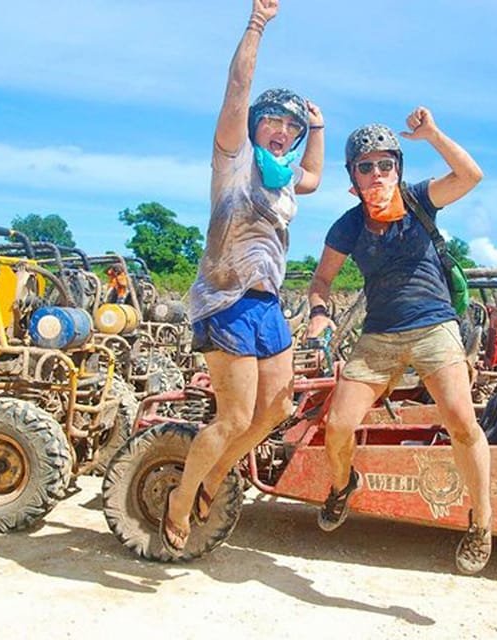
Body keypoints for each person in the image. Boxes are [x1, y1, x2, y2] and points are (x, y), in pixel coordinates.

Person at [161, 0, 324, 554]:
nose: (283, 130)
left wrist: (318, 126)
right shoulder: (234, 158)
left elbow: (315, 175)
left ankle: (214, 475)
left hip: (267, 304)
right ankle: (182, 498)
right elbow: (238, 87)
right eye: (274, 120)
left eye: (291, 127)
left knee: (276, 409)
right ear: (256, 124)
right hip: (226, 299)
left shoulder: (284, 179)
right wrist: (257, 24)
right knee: (234, 418)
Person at [306, 108, 491, 574]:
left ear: (398, 169)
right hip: (379, 336)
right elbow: (321, 280)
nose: (376, 174)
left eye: (385, 164)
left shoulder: (419, 199)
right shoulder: (348, 225)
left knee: (461, 422)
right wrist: (319, 313)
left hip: (434, 326)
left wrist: (433, 135)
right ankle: (343, 485)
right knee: (338, 425)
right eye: (365, 167)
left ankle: (482, 521)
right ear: (353, 177)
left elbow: (471, 176)